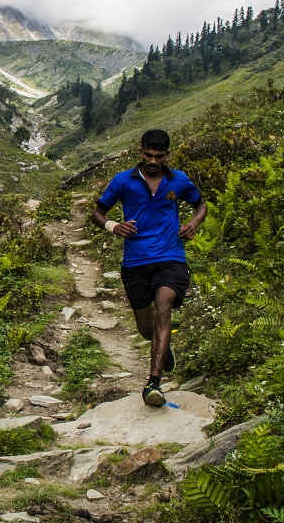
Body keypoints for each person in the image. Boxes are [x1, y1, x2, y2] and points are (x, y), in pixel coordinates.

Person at [91, 129, 207, 407]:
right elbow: (97, 213)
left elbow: (200, 205)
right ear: (140, 151)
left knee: (163, 306)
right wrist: (114, 226)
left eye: (159, 156)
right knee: (146, 327)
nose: (153, 161)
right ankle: (163, 351)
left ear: (167, 155)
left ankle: (153, 384)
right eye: (148, 155)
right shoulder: (122, 181)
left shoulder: (178, 180)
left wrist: (193, 224)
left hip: (170, 256)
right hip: (135, 261)